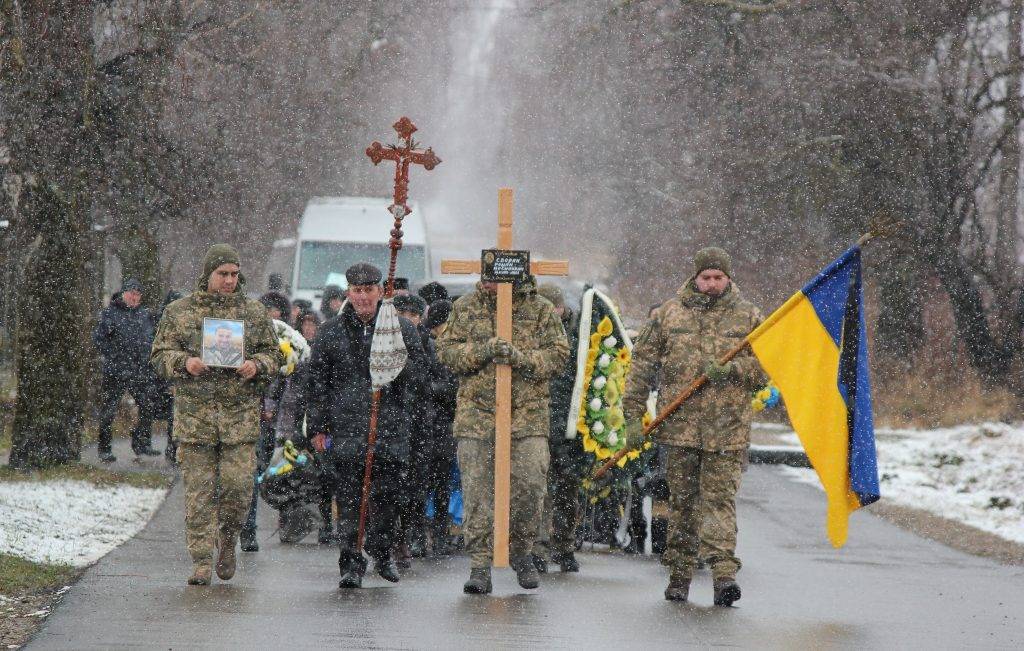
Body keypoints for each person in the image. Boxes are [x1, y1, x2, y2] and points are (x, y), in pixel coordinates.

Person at [622, 247, 765, 607]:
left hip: (727, 431)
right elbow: (642, 366)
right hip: (680, 428)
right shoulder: (670, 314)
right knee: (683, 504)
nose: (712, 284)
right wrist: (632, 417)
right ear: (695, 277)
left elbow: (765, 371)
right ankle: (680, 575)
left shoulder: (748, 316)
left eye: (719, 277)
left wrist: (732, 369)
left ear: (728, 278)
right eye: (707, 278)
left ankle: (723, 574)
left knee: (719, 502)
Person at [151, 244, 282, 586]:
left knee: (239, 490)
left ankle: (228, 538)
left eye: (234, 274)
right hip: (196, 419)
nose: (228, 280)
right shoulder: (181, 312)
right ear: (208, 274)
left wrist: (258, 365)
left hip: (239, 419)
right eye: (222, 274)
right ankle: (200, 560)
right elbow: (160, 354)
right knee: (199, 493)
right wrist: (184, 362)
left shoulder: (252, 313)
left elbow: (274, 355)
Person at [437, 274, 569, 595]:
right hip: (477, 416)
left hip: (527, 416)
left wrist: (522, 359)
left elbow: (559, 355)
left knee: (530, 483)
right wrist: (483, 351)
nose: (490, 284)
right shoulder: (465, 307)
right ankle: (480, 563)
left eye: (498, 278)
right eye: (487, 277)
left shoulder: (540, 309)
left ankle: (520, 548)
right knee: (477, 490)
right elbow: (447, 352)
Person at [306, 263, 427, 589]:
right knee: (349, 499)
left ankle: (381, 550)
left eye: (368, 290)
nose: (362, 297)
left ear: (380, 292)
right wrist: (318, 427)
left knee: (387, 497)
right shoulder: (330, 332)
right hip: (346, 428)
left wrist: (393, 366)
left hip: (388, 426)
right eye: (356, 291)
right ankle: (351, 563)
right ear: (349, 292)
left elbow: (418, 377)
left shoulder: (401, 329)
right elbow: (317, 384)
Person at [533, 283, 586, 574]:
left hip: (570, 424)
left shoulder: (579, 333)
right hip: (539, 420)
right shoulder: (532, 331)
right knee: (538, 489)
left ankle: (564, 545)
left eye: (555, 307)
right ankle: (538, 547)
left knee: (568, 489)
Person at [240, 291, 296, 553]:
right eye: (268, 309)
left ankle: (253, 528)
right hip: (249, 414)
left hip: (275, 420)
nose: (272, 314)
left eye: (277, 310)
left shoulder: (289, 342)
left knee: (261, 472)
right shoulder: (249, 338)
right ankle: (241, 528)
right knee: (245, 474)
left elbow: (290, 383)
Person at [93, 278, 160, 462]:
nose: (134, 297)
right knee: (109, 410)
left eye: (138, 294)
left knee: (147, 406)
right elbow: (98, 339)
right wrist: (114, 357)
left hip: (140, 371)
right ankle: (104, 449)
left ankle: (141, 443)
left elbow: (153, 339)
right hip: (116, 371)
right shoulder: (110, 313)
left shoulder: (145, 315)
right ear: (123, 293)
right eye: (131, 293)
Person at [392, 293, 432, 562]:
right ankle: (391, 537)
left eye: (413, 316)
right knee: (391, 484)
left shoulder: (428, 345)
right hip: (393, 422)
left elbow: (435, 382)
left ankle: (411, 533)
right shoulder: (387, 342)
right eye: (402, 315)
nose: (407, 320)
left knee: (416, 486)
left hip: (421, 424)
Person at [423, 300, 457, 555]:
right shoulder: (426, 345)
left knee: (443, 482)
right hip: (428, 423)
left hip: (444, 424)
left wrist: (435, 390)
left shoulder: (452, 346)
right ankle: (422, 532)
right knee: (424, 481)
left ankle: (441, 532)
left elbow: (452, 386)